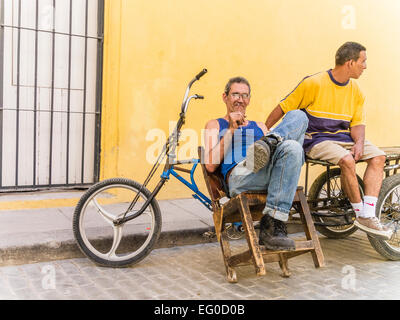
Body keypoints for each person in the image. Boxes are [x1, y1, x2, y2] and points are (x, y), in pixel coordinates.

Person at [265, 41, 391, 239]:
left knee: (379, 157)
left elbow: (357, 124)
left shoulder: (356, 90)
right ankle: (360, 216)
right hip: (316, 140)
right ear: (350, 62)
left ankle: (368, 213)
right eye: (363, 61)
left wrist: (359, 143)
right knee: (347, 161)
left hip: (344, 139)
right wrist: (266, 133)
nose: (365, 66)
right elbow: (283, 107)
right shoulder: (313, 83)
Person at [204, 76, 309, 250]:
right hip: (242, 174)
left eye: (244, 95)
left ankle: (271, 226)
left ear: (249, 100)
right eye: (235, 94)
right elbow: (210, 165)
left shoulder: (260, 126)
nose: (240, 99)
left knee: (297, 123)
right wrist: (231, 129)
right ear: (225, 97)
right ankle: (275, 225)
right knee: (288, 147)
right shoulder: (214, 124)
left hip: (267, 171)